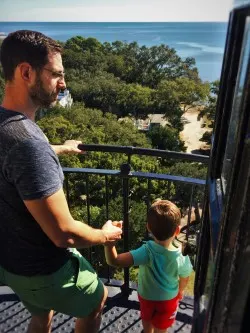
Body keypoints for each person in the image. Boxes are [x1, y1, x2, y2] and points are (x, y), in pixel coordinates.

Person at [0, 30, 122, 333]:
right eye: (56, 75)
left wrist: (61, 148)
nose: (63, 84)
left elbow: (13, 161)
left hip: (8, 261)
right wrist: (105, 235)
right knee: (98, 299)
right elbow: (64, 235)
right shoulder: (29, 145)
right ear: (26, 72)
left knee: (42, 313)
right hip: (43, 269)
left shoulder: (8, 128)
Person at [104, 200, 193, 333]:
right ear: (177, 231)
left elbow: (114, 261)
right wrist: (180, 291)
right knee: (161, 328)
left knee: (146, 319)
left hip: (146, 297)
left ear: (148, 227)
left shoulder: (146, 251)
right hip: (169, 300)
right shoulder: (182, 255)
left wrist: (109, 241)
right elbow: (185, 277)